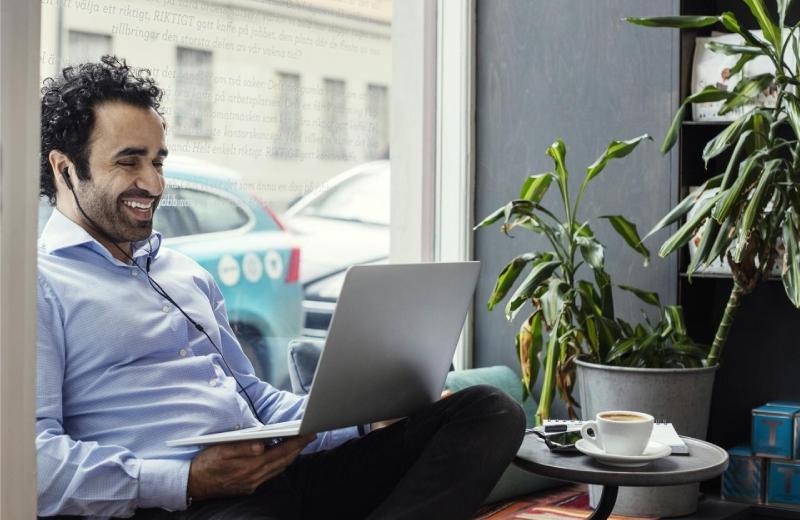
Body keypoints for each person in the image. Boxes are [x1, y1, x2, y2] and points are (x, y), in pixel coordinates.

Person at [36, 55, 525, 520]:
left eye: (158, 161)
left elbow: (255, 400)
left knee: (488, 410)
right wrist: (187, 479)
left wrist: (369, 418)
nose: (154, 183)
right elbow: (32, 462)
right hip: (182, 505)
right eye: (129, 162)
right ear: (64, 168)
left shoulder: (183, 273)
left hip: (278, 478)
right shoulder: (37, 288)